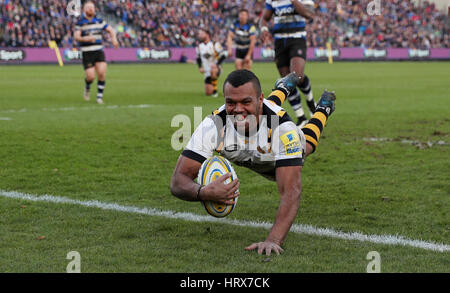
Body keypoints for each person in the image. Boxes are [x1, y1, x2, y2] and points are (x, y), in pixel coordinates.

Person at [170, 70, 336, 256]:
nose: (238, 109)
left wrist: (273, 240)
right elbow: (178, 181)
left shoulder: (283, 130)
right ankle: (283, 87)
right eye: (231, 102)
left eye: (245, 101)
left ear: (259, 99)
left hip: (273, 160)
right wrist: (203, 192)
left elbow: (291, 192)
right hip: (256, 142)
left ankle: (324, 109)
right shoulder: (214, 124)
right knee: (260, 111)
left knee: (307, 145)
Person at [260, 0, 317, 128]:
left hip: (297, 39)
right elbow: (264, 18)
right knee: (286, 81)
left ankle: (311, 102)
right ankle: (301, 117)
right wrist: (263, 29)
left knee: (297, 76)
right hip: (280, 42)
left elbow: (309, 14)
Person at [74, 1, 118, 104]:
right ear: (84, 10)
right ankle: (87, 87)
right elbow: (76, 37)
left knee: (102, 73)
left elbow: (111, 30)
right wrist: (86, 39)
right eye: (88, 7)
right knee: (91, 77)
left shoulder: (99, 21)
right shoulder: (80, 22)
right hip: (87, 52)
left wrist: (114, 39)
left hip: (98, 51)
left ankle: (99, 97)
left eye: (92, 7)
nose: (91, 9)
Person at [196, 28, 227, 98]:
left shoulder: (215, 44)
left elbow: (224, 55)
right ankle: (212, 89)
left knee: (213, 69)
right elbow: (198, 58)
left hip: (216, 69)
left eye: (202, 34)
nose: (200, 35)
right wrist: (200, 67)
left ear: (207, 35)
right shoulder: (199, 46)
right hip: (207, 71)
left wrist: (216, 64)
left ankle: (215, 91)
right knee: (208, 92)